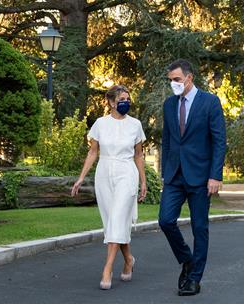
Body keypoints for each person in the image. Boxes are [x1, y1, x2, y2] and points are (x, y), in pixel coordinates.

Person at [159, 59, 226, 296]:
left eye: (176, 80)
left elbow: (219, 141)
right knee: (165, 221)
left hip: (201, 177)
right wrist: (164, 172)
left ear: (189, 78)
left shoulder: (210, 102)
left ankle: (194, 278)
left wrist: (215, 176)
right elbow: (166, 141)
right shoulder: (168, 105)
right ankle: (187, 260)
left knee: (200, 227)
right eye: (170, 81)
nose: (173, 84)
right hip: (174, 175)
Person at [71, 85, 147, 290]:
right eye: (122, 98)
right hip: (104, 174)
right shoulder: (100, 124)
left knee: (117, 219)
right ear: (112, 102)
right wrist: (80, 178)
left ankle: (107, 269)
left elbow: (138, 155)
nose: (126, 102)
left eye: (128, 98)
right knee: (112, 223)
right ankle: (129, 259)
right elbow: (93, 152)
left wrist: (143, 181)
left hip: (126, 172)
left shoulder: (135, 125)